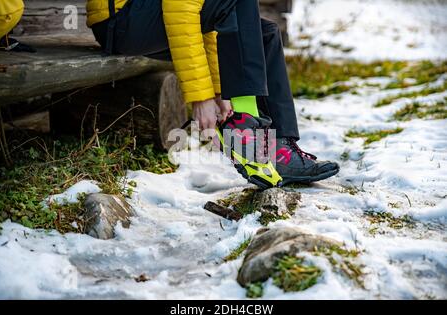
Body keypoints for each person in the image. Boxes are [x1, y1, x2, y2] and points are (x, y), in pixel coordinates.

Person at [86, 0, 339, 188]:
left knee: (263, 34)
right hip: (120, 20)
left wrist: (219, 89)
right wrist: (202, 96)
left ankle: (280, 149)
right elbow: (181, 11)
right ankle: (248, 134)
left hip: (141, 16)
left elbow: (208, 22)